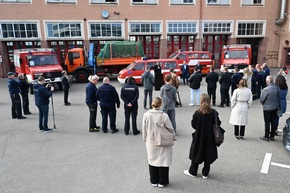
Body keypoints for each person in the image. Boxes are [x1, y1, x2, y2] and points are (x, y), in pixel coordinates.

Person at [184, 93, 221, 179]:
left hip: (199, 136)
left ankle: (193, 171)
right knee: (208, 153)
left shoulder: (197, 113)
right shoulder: (214, 112)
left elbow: (193, 125)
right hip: (210, 137)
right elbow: (218, 123)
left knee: (196, 152)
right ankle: (205, 173)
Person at [142, 97, 174, 188]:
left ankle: (154, 180)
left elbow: (144, 129)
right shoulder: (164, 115)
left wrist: (145, 138)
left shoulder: (146, 115)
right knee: (163, 161)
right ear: (160, 104)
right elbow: (170, 128)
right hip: (163, 140)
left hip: (151, 140)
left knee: (152, 160)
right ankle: (162, 181)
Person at [260, 75, 280, 141]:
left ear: (267, 81)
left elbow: (262, 100)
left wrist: (264, 104)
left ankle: (266, 136)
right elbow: (278, 98)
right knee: (273, 122)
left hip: (267, 108)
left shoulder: (266, 89)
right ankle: (272, 136)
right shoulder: (277, 88)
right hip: (274, 107)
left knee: (267, 122)